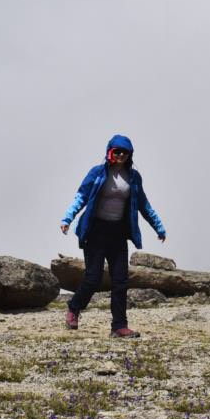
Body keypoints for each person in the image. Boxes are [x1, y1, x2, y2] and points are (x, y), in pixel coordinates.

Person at [60, 134, 166, 338]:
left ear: (130, 155)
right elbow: (81, 197)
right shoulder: (97, 173)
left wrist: (158, 227)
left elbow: (143, 205)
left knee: (120, 281)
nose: (121, 155)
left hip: (118, 232)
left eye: (125, 152)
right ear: (109, 151)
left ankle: (119, 326)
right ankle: (74, 307)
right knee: (93, 278)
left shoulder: (133, 177)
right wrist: (67, 218)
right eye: (117, 151)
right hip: (95, 230)